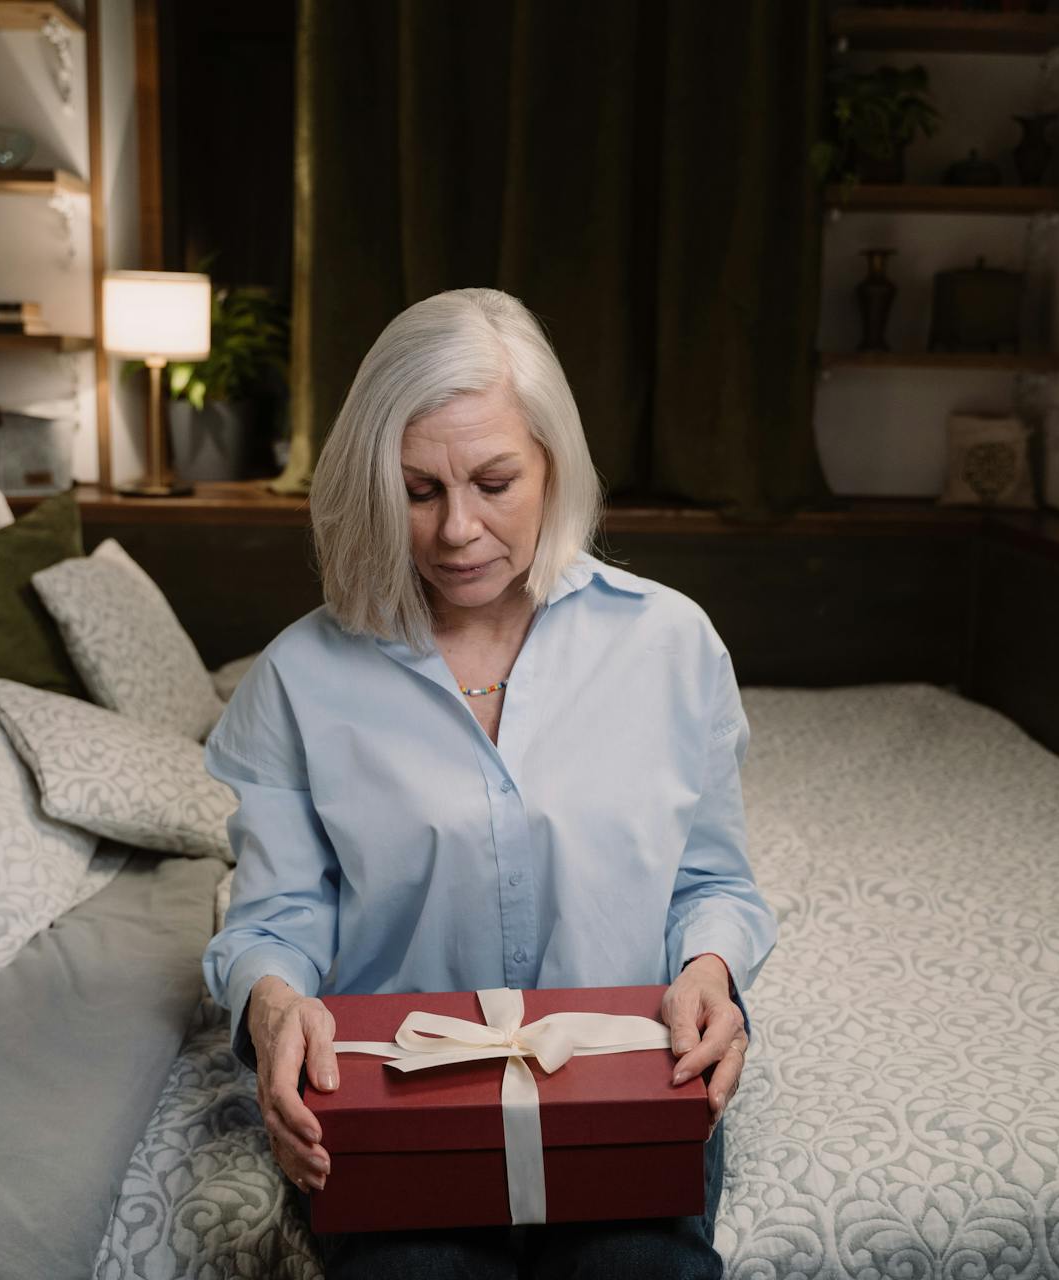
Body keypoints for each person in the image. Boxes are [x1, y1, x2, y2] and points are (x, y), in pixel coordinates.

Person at [201, 287, 777, 1279]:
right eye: (419, 489)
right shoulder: (301, 674)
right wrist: (271, 1006)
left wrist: (710, 973)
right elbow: (275, 917)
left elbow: (714, 886)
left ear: (555, 466)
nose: (458, 528)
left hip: (623, 1086)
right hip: (390, 1101)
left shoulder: (670, 644)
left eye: (495, 481)